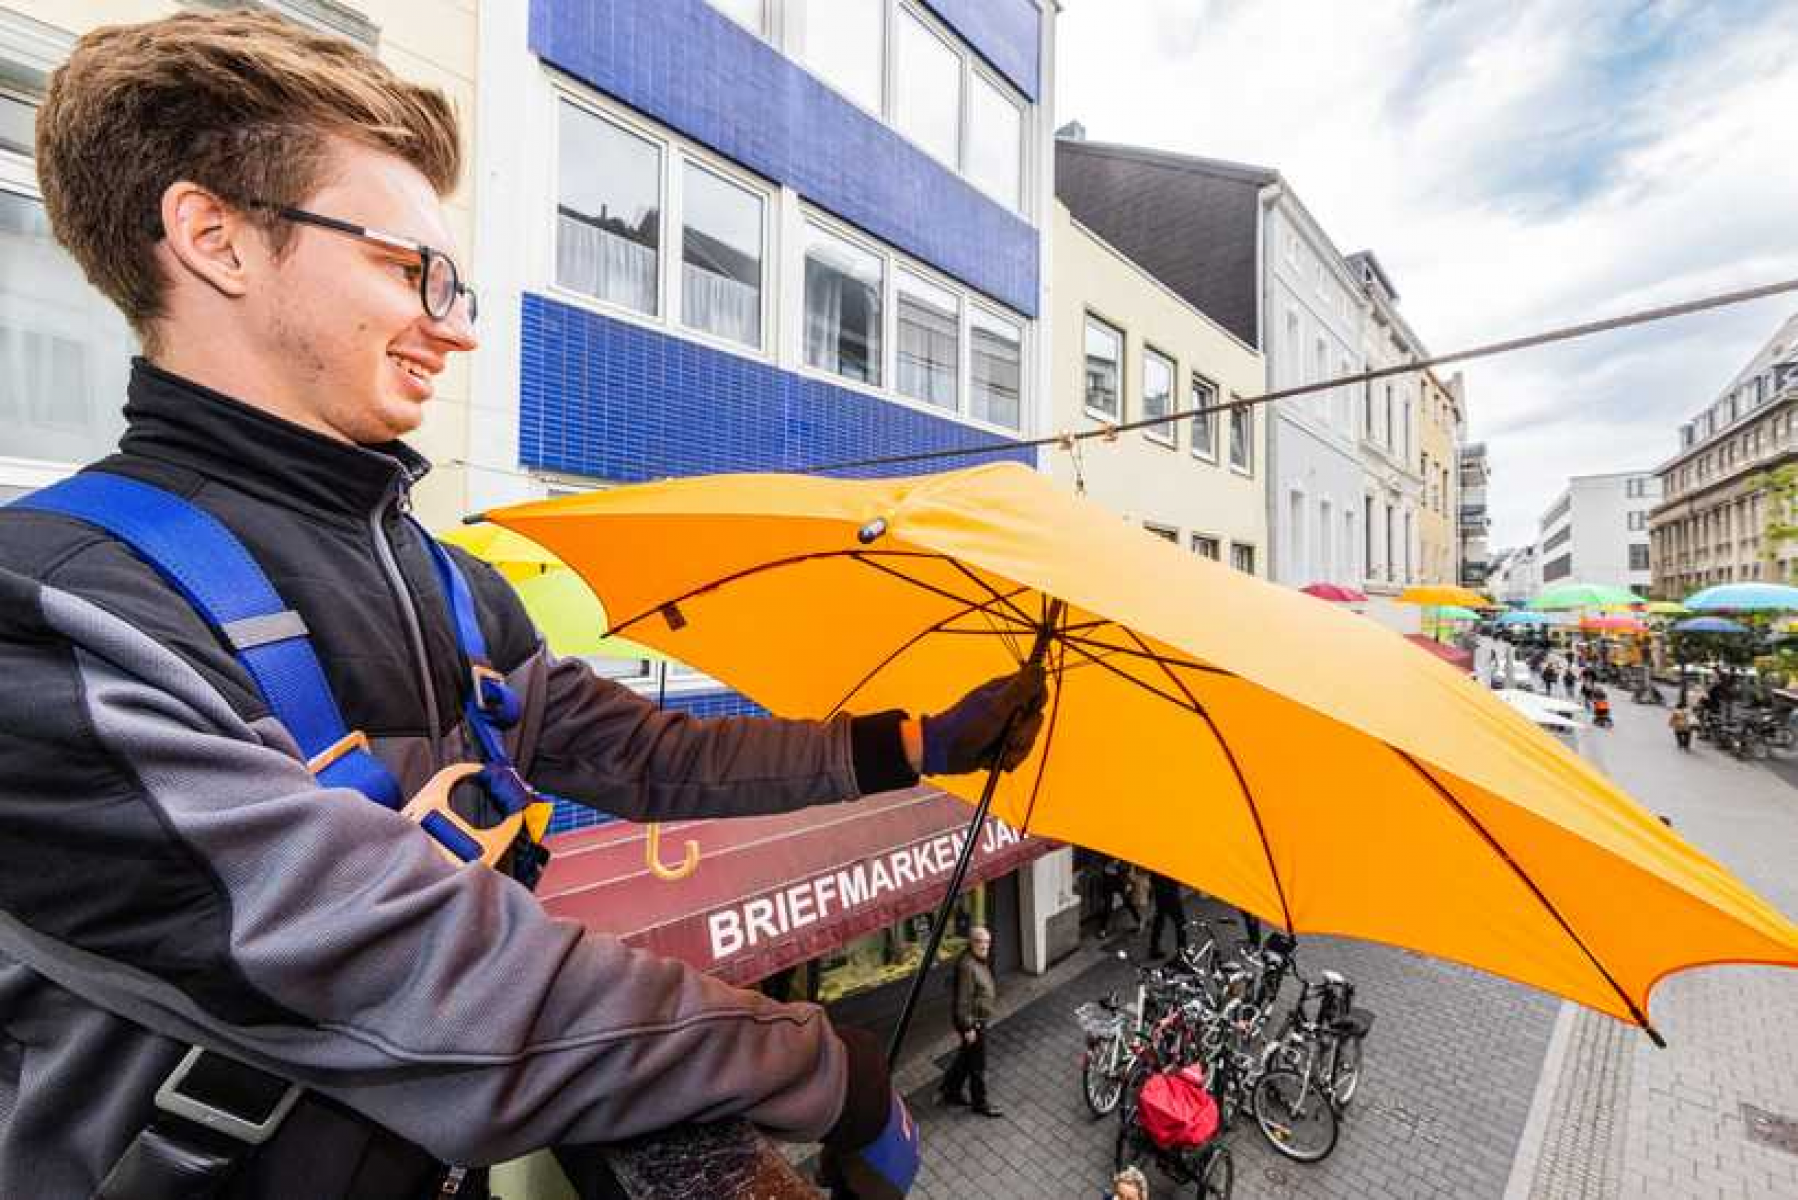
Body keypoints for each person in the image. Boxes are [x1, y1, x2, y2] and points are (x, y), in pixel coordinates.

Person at [0, 14, 1052, 1200]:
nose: (451, 326)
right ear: (217, 241)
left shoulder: (432, 575)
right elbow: (409, 968)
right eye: (411, 270)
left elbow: (638, 749)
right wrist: (817, 1064)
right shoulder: (55, 616)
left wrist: (909, 746)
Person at [938, 926, 1002, 1118]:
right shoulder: (967, 966)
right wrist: (969, 1027)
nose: (985, 946)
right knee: (977, 1065)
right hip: (973, 1022)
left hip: (976, 1020)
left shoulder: (977, 959)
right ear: (972, 943)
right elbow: (963, 1001)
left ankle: (950, 1090)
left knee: (966, 1058)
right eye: (981, 942)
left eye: (988, 942)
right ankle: (980, 1103)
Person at [1146, 872, 1188, 960]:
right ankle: (1182, 954)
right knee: (1181, 922)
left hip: (1160, 889)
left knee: (1160, 918)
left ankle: (1154, 948)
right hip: (1168, 890)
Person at [1099, 857, 1144, 937]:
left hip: (1119, 881)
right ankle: (1103, 929)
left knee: (1127, 902)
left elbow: (1127, 869)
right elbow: (1104, 868)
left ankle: (1139, 921)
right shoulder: (1106, 859)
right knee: (1108, 905)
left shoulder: (1123, 860)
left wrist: (1118, 866)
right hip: (1108, 882)